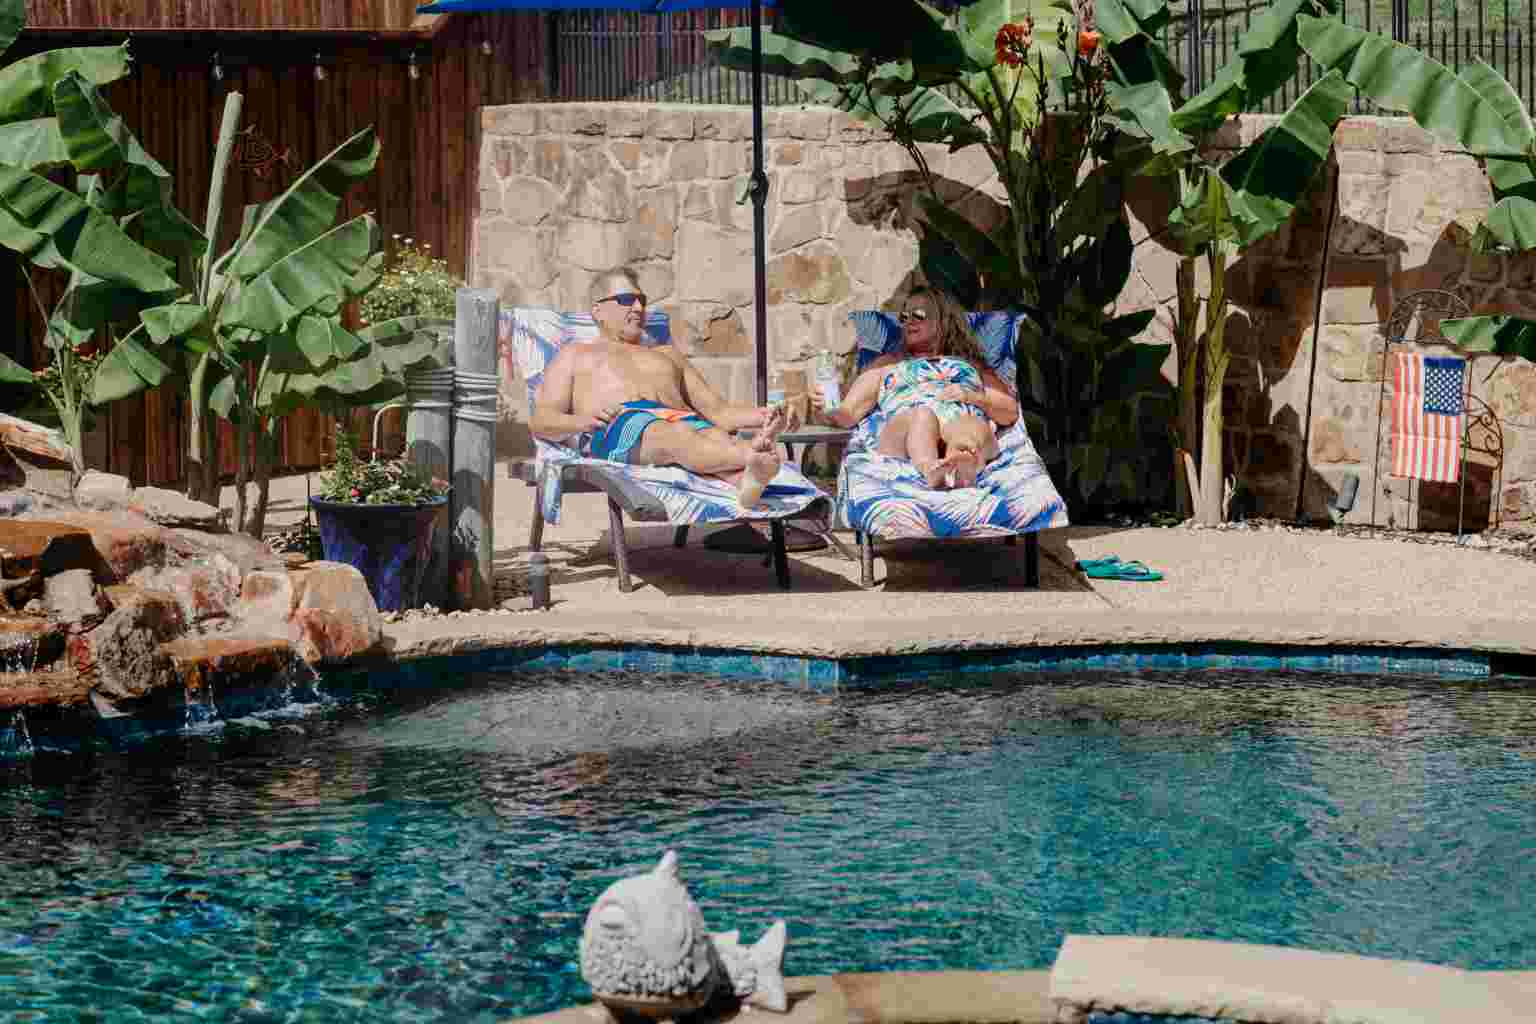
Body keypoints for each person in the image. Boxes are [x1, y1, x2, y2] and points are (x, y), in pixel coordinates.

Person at [529, 267, 788, 507]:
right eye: (626, 299)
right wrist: (583, 422)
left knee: (715, 437)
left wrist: (766, 415)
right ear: (598, 311)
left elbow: (719, 412)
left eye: (642, 299)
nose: (639, 307)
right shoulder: (576, 354)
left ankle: (748, 481)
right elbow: (541, 421)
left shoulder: (667, 354)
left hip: (682, 421)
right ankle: (754, 456)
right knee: (673, 435)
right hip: (619, 424)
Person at [814, 287, 1018, 489]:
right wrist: (827, 411)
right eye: (904, 317)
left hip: (958, 423)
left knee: (969, 424)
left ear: (942, 320)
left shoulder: (970, 364)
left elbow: (1009, 412)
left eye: (918, 315)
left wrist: (970, 396)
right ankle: (932, 470)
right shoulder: (886, 364)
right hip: (905, 430)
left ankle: (960, 461)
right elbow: (849, 413)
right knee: (922, 416)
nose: (908, 321)